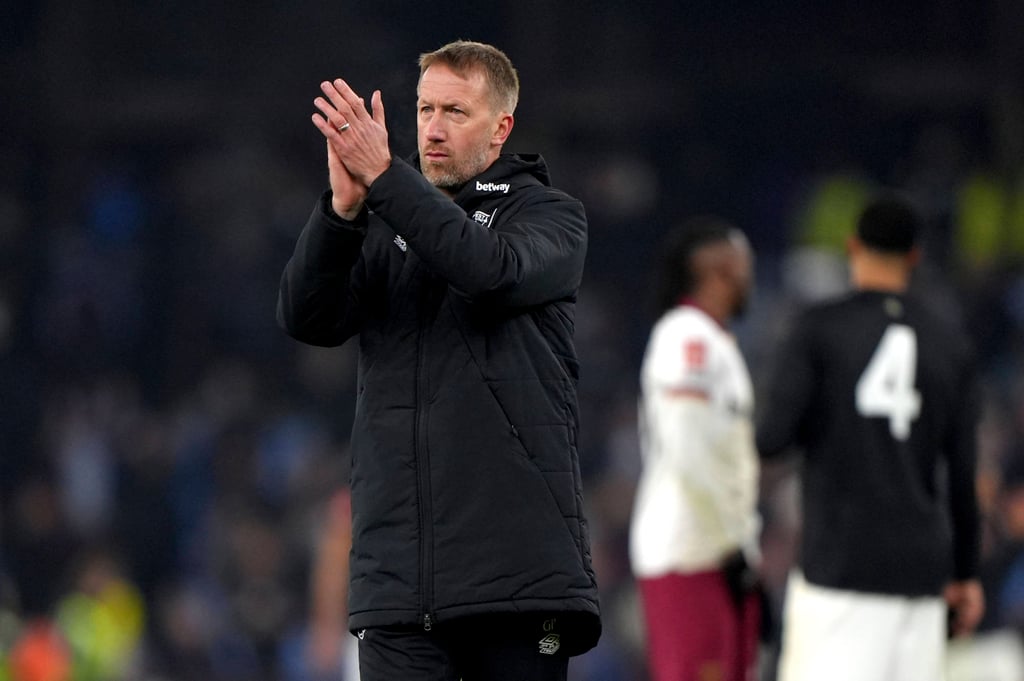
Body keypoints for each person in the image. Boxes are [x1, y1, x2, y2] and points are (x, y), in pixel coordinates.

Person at [276, 40, 601, 681]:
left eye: (455, 111)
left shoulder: (550, 217)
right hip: (399, 586)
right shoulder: (381, 222)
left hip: (518, 586)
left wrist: (388, 181)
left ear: (501, 127)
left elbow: (484, 270)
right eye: (424, 109)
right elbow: (306, 318)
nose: (432, 128)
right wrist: (342, 212)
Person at [756, 195, 985, 681]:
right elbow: (962, 476)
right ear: (915, 256)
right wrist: (965, 575)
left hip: (840, 570)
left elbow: (772, 438)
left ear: (852, 246)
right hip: (922, 577)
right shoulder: (951, 345)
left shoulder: (818, 329)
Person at [629, 217, 762, 681]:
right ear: (718, 267)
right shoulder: (689, 338)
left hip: (714, 548)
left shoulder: (711, 339)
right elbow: (689, 445)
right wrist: (732, 542)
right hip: (692, 549)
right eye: (744, 264)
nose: (751, 277)